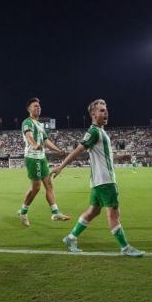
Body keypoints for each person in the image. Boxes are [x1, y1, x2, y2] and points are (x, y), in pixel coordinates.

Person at [51, 99, 144, 257]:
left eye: (106, 110)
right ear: (93, 114)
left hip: (97, 182)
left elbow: (104, 155)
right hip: (106, 181)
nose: (105, 112)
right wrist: (61, 166)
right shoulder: (94, 132)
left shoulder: (100, 132)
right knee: (113, 214)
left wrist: (121, 158)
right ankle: (125, 247)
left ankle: (71, 237)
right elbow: (78, 150)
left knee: (93, 212)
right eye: (101, 110)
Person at [17, 97, 70, 227]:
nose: (38, 107)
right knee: (36, 188)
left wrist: (58, 150)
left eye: (39, 106)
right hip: (32, 157)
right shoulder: (27, 122)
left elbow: (46, 141)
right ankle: (23, 212)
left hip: (42, 158)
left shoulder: (40, 125)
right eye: (35, 106)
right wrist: (34, 144)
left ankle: (55, 212)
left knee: (49, 185)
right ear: (29, 109)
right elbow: (28, 135)